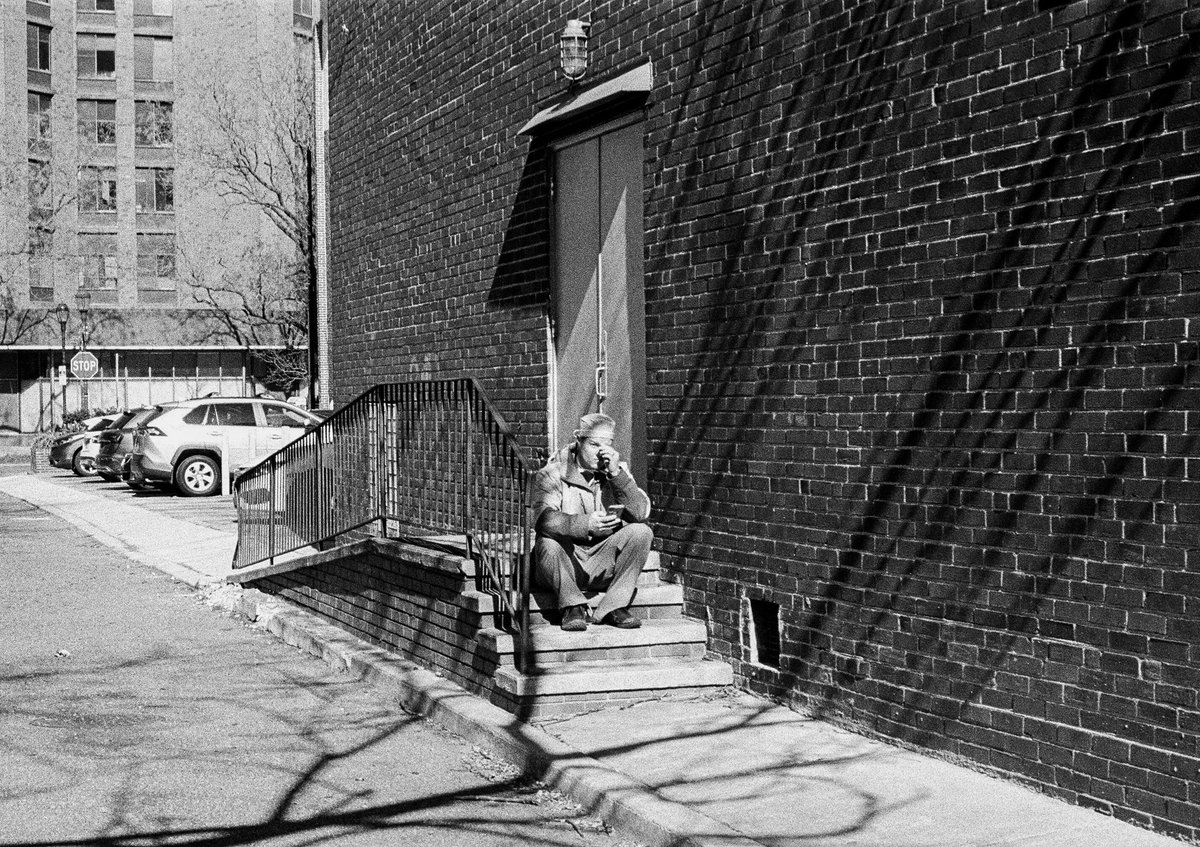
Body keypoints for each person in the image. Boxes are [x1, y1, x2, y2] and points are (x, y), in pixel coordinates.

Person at [532, 413, 653, 631]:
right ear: (578, 442)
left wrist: (617, 475)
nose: (600, 452)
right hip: (564, 560)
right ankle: (572, 606)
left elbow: (640, 512)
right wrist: (585, 524)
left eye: (606, 446)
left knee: (641, 532)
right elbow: (543, 520)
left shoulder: (617, 471)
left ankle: (613, 607)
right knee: (546, 543)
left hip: (600, 560)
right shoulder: (552, 473)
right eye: (594, 444)